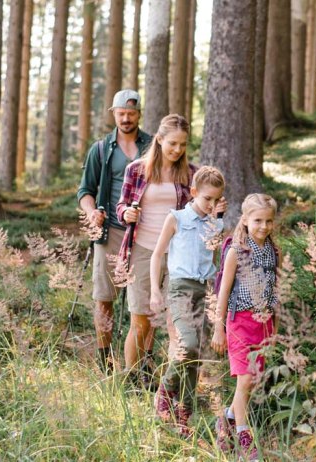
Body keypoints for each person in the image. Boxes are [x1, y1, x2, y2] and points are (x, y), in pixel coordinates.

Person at [116, 114, 225, 384]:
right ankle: (134, 379)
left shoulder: (191, 173)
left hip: (180, 255)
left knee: (175, 323)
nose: (177, 150)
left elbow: (205, 211)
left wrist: (217, 216)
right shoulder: (137, 170)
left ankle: (172, 386)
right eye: (172, 143)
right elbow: (121, 206)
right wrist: (126, 213)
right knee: (141, 320)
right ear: (160, 139)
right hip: (143, 250)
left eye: (183, 145)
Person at [76, 89, 152, 372]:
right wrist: (91, 211)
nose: (126, 118)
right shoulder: (101, 148)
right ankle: (104, 358)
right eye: (121, 113)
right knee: (104, 297)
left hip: (145, 232)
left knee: (143, 301)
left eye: (131, 114)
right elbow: (85, 191)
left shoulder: (152, 146)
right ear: (114, 114)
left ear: (138, 114)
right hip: (110, 231)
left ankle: (141, 362)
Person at [147, 166, 226, 437]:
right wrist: (156, 291)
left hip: (204, 291)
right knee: (187, 344)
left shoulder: (215, 223)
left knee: (195, 354)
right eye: (207, 199)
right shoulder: (176, 218)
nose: (211, 205)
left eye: (216, 200)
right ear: (193, 193)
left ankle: (184, 415)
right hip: (180, 289)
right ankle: (165, 391)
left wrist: (218, 218)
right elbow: (157, 255)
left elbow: (215, 259)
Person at [211, 193, 281, 461]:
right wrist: (219, 328)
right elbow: (224, 292)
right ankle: (244, 436)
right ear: (245, 220)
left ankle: (226, 419)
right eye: (258, 220)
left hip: (263, 322)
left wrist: (274, 324)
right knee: (245, 378)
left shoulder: (273, 251)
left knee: (250, 381)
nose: (264, 226)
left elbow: (274, 288)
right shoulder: (236, 251)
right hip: (239, 320)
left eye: (269, 221)